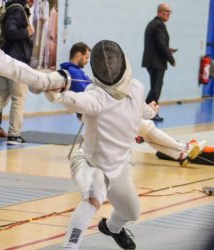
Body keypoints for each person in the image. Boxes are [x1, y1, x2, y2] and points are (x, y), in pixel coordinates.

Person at [46, 39, 159, 250]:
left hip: (119, 167)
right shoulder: (96, 95)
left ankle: (111, 228)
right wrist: (57, 95)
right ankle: (70, 247)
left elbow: (141, 109)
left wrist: (152, 110)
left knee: (132, 212)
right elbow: (76, 101)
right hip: (91, 163)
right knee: (93, 198)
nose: (110, 68)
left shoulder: (136, 87)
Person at [62, 42, 206, 167]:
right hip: (99, 114)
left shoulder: (76, 72)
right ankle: (184, 148)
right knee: (145, 126)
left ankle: (180, 154)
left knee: (146, 130)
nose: (87, 61)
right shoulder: (73, 73)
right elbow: (92, 99)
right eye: (86, 57)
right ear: (78, 55)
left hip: (107, 110)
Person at [0, 0, 64, 145]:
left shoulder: (15, 8)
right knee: (19, 98)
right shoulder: (17, 10)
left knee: (1, 96)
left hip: (8, 59)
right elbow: (10, 31)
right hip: (16, 61)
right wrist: (26, 32)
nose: (34, 2)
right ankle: (14, 134)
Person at [142, 3, 176, 122]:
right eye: (166, 11)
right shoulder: (159, 25)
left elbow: (158, 45)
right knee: (156, 89)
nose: (168, 14)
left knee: (154, 88)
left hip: (153, 61)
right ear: (159, 12)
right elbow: (161, 45)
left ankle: (146, 111)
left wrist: (168, 49)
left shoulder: (153, 24)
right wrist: (171, 59)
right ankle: (148, 112)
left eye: (169, 12)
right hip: (156, 62)